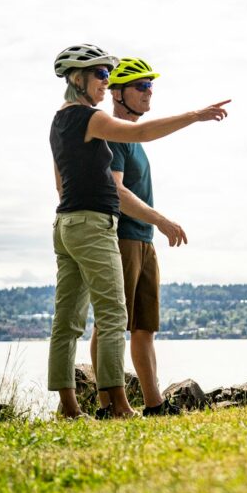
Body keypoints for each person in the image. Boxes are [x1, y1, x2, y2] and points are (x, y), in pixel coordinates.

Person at [48, 43, 230, 419]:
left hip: (67, 221)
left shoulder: (58, 121)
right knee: (113, 316)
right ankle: (117, 406)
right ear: (78, 78)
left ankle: (69, 408)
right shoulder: (89, 118)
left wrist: (75, 211)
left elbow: (61, 183)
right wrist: (195, 115)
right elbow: (142, 133)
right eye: (101, 74)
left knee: (67, 322)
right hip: (94, 224)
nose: (106, 81)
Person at [90, 57, 185, 416]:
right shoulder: (115, 135)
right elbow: (117, 191)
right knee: (109, 323)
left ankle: (154, 404)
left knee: (144, 327)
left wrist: (154, 227)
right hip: (123, 238)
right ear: (117, 93)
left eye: (150, 86)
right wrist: (162, 220)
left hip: (143, 241)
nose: (149, 93)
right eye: (141, 86)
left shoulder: (135, 140)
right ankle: (108, 405)